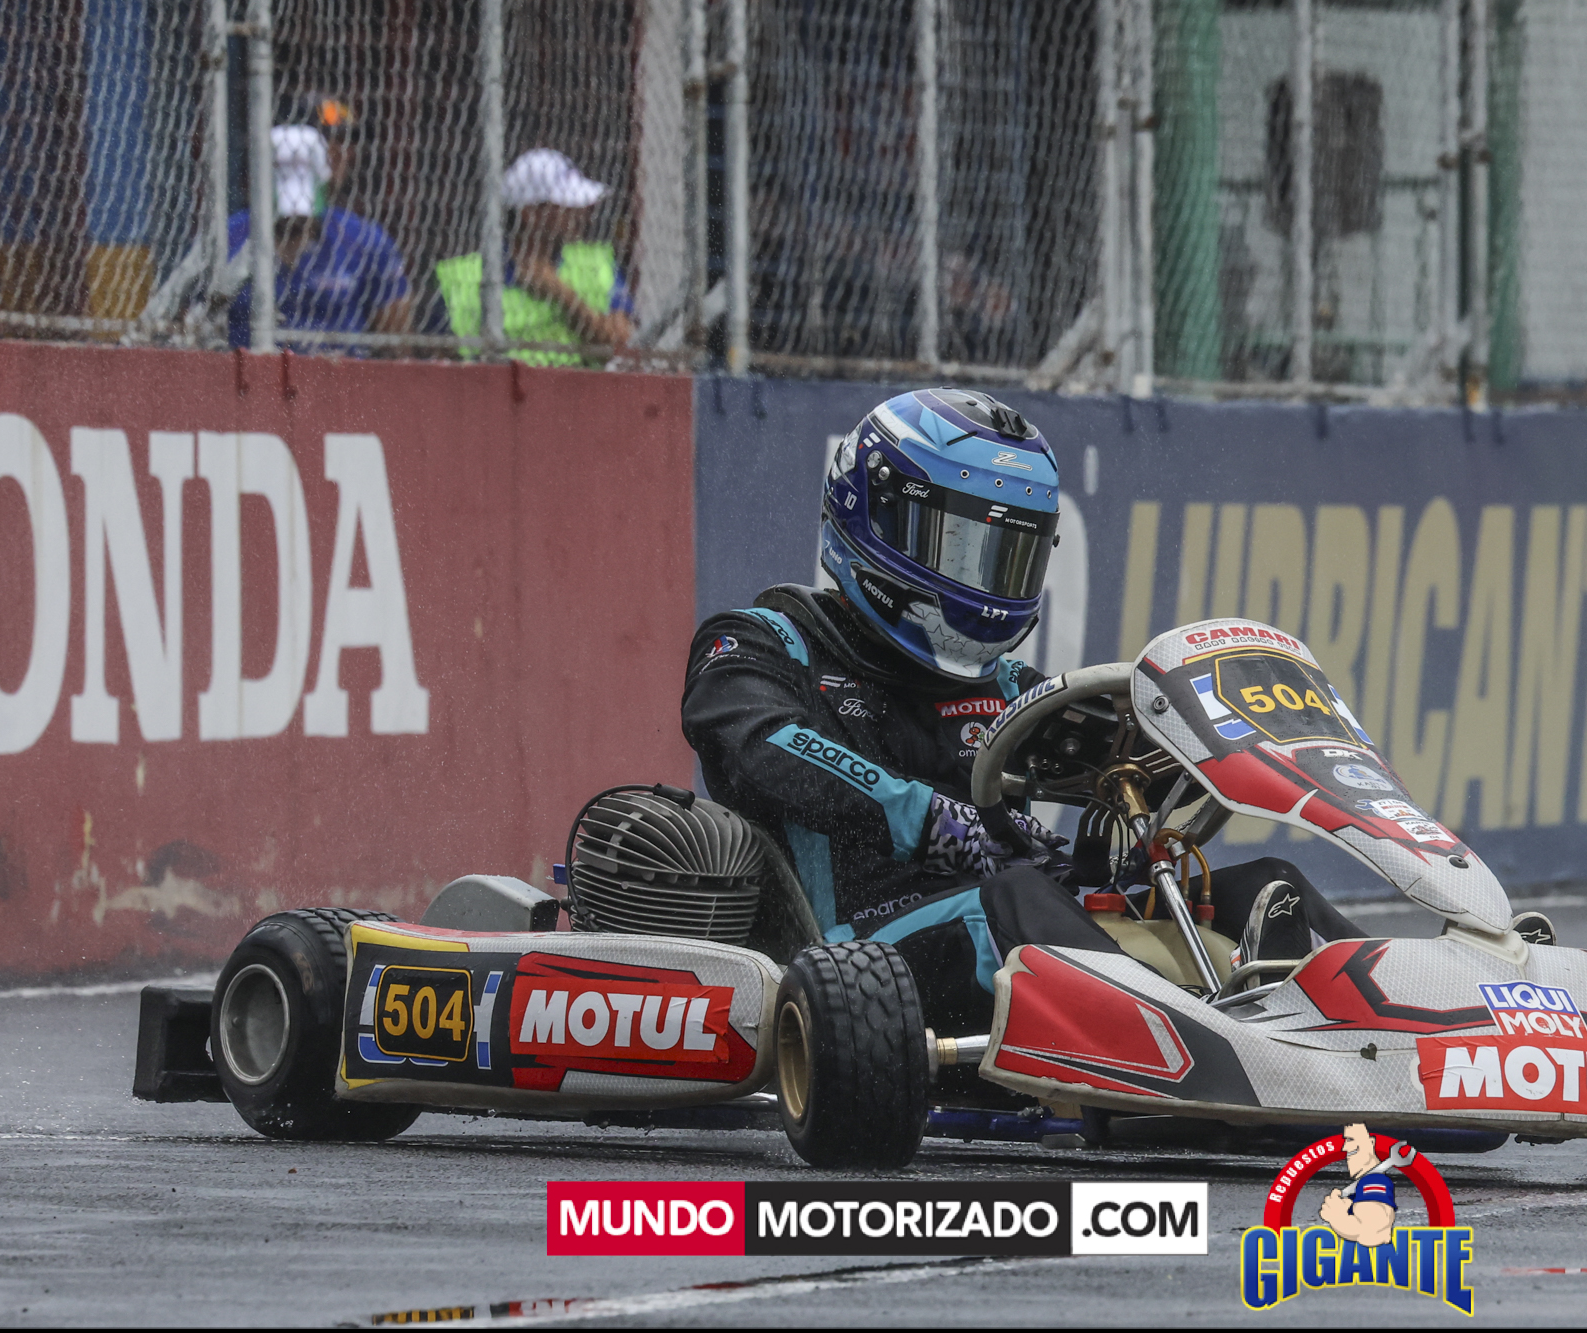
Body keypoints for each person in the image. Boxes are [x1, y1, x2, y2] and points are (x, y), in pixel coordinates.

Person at [680, 388, 1366, 1034]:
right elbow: (762, 744)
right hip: (856, 958)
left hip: (1018, 923)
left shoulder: (1011, 686)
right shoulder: (765, 644)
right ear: (878, 516)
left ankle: (1384, 1042)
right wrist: (925, 817)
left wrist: (1187, 769)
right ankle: (1176, 1049)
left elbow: (1128, 769)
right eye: (960, 546)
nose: (984, 583)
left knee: (1271, 886)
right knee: (1019, 897)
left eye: (1007, 555)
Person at [434, 148, 637, 367]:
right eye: (566, 205)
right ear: (529, 213)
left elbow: (621, 347)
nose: (582, 212)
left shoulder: (597, 262)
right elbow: (442, 363)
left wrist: (562, 294)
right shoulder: (462, 277)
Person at [225, 124, 412, 353]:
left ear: (325, 183)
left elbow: (395, 338)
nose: (294, 218)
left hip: (340, 368)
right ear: (252, 185)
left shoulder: (362, 240)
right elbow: (193, 317)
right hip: (250, 368)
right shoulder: (229, 238)